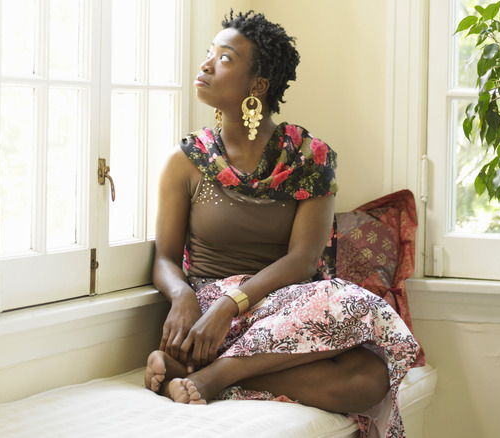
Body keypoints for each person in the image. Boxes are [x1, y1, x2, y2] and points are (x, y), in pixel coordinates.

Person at [144, 10, 420, 438]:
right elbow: (164, 255)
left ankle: (206, 375)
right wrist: (182, 294)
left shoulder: (311, 159)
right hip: (211, 313)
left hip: (282, 303)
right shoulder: (185, 162)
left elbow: (303, 262)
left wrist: (229, 305)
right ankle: (209, 375)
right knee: (351, 332)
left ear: (258, 85)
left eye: (225, 58)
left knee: (370, 377)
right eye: (208, 54)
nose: (206, 64)